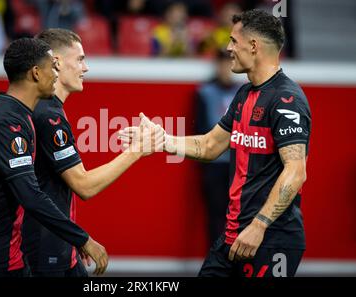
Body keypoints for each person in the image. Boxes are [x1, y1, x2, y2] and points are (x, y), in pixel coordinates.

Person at [121, 9, 311, 277]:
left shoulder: (286, 99)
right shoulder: (245, 94)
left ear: (254, 46)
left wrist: (259, 226)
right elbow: (210, 146)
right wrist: (162, 140)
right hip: (234, 236)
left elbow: (296, 171)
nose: (227, 47)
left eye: (234, 41)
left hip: (271, 239)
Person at [0, 38, 108, 277]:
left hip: (2, 249)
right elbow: (30, 195)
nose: (56, 73)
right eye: (53, 67)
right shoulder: (7, 121)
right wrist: (82, 238)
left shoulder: (16, 114)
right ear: (36, 73)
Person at [21, 28, 163, 277]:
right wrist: (137, 150)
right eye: (80, 59)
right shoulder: (48, 115)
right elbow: (84, 186)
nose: (85, 68)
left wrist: (74, 236)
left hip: (57, 241)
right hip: (43, 247)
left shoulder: (46, 109)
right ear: (56, 62)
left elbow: (50, 186)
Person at [195, 48, 241, 246]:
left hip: (239, 165)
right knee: (215, 214)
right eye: (222, 63)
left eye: (229, 63)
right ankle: (215, 260)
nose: (226, 68)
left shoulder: (244, 92)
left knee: (238, 215)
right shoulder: (205, 92)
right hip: (214, 165)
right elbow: (201, 130)